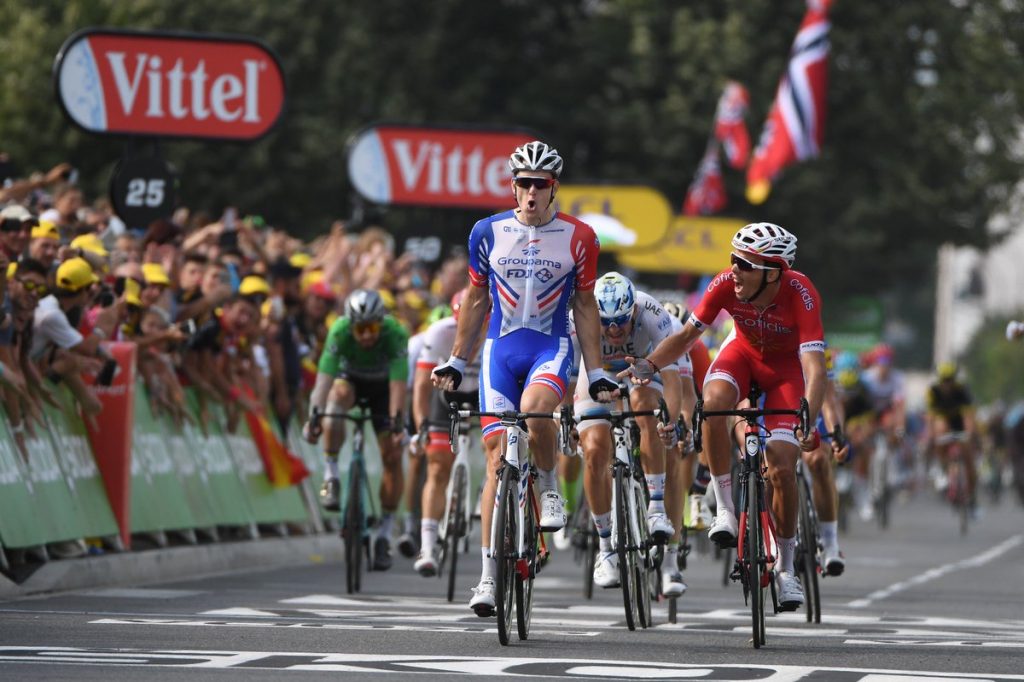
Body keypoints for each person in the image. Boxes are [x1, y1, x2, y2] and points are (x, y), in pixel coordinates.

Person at [431, 140, 613, 615]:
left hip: (549, 346)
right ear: (513, 186)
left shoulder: (580, 236)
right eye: (524, 183)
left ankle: (549, 487)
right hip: (500, 349)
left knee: (535, 411)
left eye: (541, 184)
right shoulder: (487, 231)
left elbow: (585, 306)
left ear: (554, 187)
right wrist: (456, 359)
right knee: (496, 459)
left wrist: (596, 371)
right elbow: (475, 300)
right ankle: (487, 579)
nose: (532, 192)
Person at [620, 222, 826, 611]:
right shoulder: (724, 284)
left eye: (745, 264)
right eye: (733, 259)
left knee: (782, 468)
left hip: (785, 372)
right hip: (741, 355)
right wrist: (650, 364)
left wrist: (807, 420)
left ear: (772, 273)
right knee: (713, 402)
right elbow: (685, 337)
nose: (734, 269)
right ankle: (726, 509)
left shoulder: (802, 293)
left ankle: (786, 569)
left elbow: (815, 370)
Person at [574, 273, 685, 596]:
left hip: (643, 370)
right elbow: (565, 377)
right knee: (595, 449)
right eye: (606, 323)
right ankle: (605, 548)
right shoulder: (579, 316)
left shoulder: (653, 314)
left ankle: (656, 508)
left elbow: (673, 380)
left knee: (647, 409)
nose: (613, 330)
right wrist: (567, 421)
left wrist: (670, 422)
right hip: (596, 375)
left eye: (621, 321)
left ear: (633, 311)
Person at [303, 289, 409, 571]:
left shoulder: (396, 334)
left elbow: (398, 386)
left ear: (381, 323)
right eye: (360, 329)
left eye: (372, 328)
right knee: (335, 400)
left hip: (384, 389)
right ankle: (331, 475)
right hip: (350, 382)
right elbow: (323, 380)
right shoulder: (339, 331)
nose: (366, 336)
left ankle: (384, 533)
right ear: (350, 326)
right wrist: (314, 417)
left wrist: (398, 424)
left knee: (392, 455)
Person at [410, 289, 482, 575]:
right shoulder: (440, 332)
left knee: (499, 448)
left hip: (482, 394)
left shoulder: (498, 330)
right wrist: (422, 425)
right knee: (438, 467)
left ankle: (486, 495)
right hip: (446, 397)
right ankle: (428, 546)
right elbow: (421, 385)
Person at [925, 361, 978, 511]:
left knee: (969, 459)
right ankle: (942, 469)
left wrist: (969, 434)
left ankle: (971, 496)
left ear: (954, 379)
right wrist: (931, 436)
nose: (947, 384)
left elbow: (968, 416)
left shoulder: (962, 390)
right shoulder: (933, 391)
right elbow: (930, 417)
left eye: (950, 380)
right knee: (940, 428)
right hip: (942, 419)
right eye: (944, 380)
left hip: (959, 420)